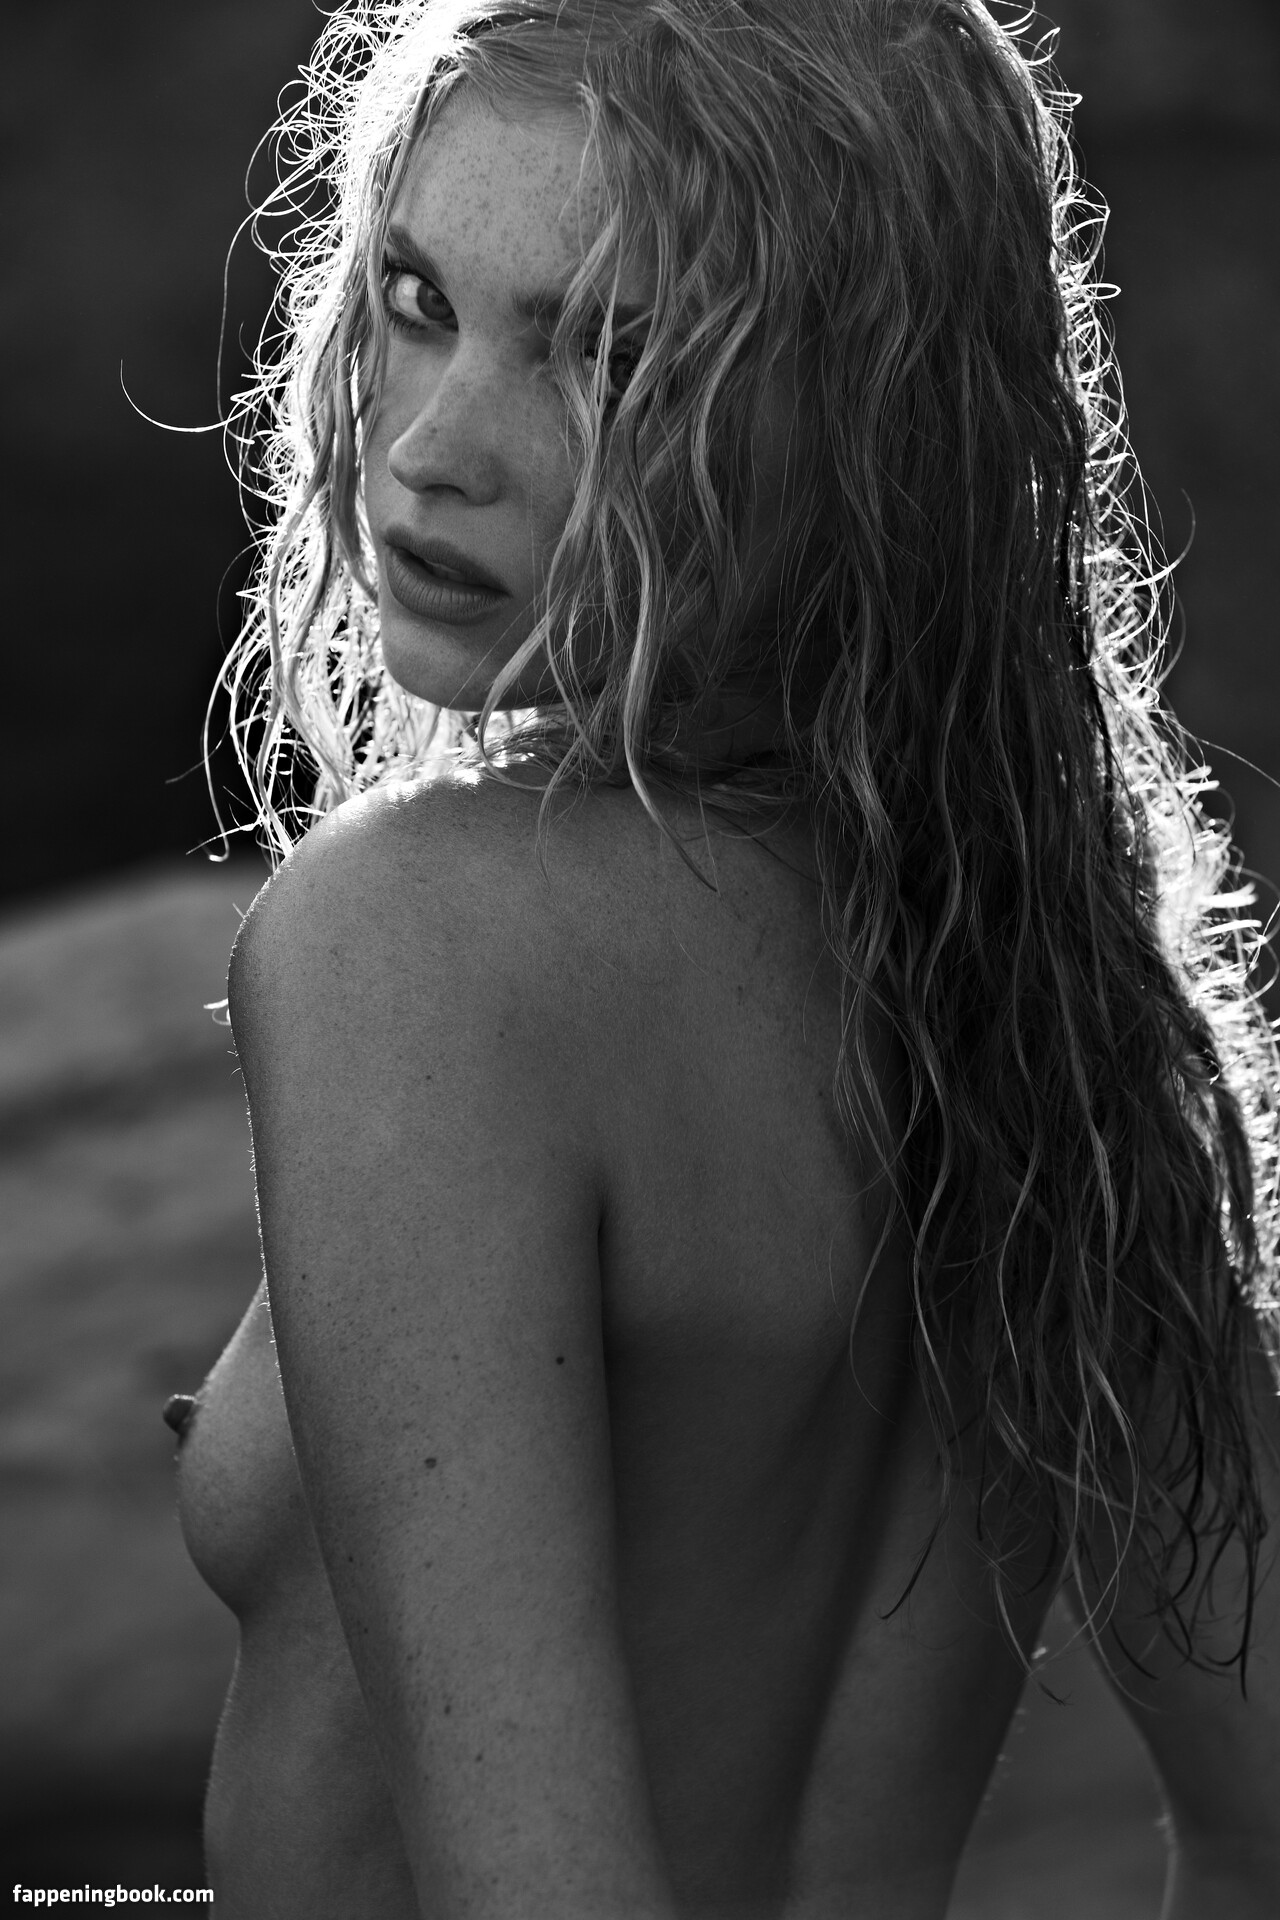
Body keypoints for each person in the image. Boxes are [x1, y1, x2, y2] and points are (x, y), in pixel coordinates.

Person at [172, 1, 1280, 1914]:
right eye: (420, 301)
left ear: (860, 426)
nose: (431, 449)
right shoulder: (1055, 992)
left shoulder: (412, 943)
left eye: (611, 359)